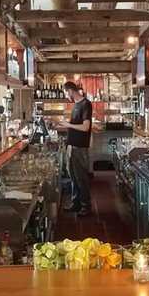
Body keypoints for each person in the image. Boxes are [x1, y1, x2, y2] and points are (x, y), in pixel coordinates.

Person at [57, 81, 93, 217]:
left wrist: (68, 124)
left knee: (81, 178)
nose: (66, 96)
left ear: (70, 90)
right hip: (72, 147)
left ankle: (86, 206)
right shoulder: (76, 105)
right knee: (73, 177)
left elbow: (85, 127)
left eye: (66, 93)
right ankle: (76, 203)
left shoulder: (86, 104)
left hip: (80, 148)